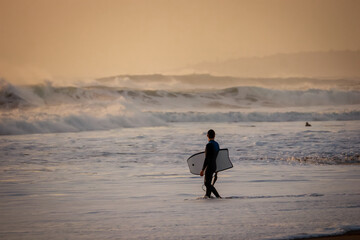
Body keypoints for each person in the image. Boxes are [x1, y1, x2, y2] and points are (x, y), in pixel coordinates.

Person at [200, 129, 221, 198]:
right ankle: (207, 196)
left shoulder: (209, 145)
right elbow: (218, 157)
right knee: (208, 182)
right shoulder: (217, 144)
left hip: (209, 166)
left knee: (207, 183)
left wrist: (202, 169)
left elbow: (207, 159)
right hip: (214, 165)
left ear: (207, 135)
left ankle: (218, 196)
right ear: (214, 136)